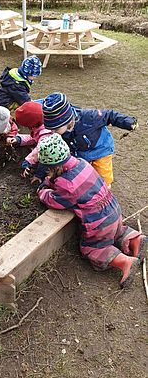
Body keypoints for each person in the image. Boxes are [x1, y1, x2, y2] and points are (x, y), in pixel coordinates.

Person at [37, 133, 146, 288]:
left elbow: (55, 200)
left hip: (98, 222)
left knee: (94, 248)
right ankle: (135, 239)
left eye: (48, 170)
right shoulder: (81, 163)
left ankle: (124, 261)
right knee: (116, 232)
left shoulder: (66, 185)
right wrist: (51, 181)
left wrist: (43, 190)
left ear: (55, 168)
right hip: (113, 210)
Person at [42, 92, 138, 188]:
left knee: (103, 177)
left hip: (101, 150)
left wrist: (127, 122)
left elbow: (109, 115)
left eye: (55, 128)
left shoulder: (90, 117)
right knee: (83, 174)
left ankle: (104, 190)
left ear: (67, 120)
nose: (52, 131)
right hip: (80, 153)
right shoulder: (60, 132)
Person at [10, 101, 52, 182]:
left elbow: (40, 150)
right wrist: (19, 139)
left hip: (50, 157)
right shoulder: (40, 127)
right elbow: (33, 138)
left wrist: (28, 161)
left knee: (44, 162)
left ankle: (39, 177)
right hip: (45, 153)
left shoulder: (46, 133)